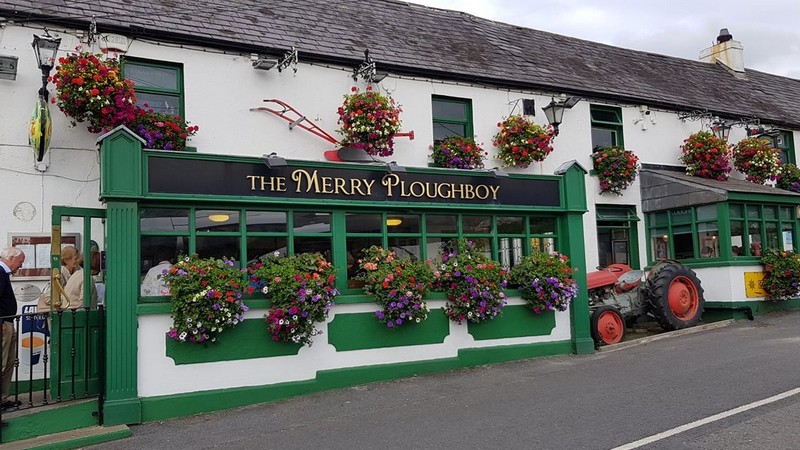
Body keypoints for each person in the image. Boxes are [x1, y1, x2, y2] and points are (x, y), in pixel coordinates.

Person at [1, 246, 25, 410]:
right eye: (20, 261)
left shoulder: (4, 273)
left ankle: (2, 398)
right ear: (11, 258)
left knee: (9, 362)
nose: (21, 265)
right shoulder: (0, 272)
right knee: (2, 362)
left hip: (7, 322)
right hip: (3, 324)